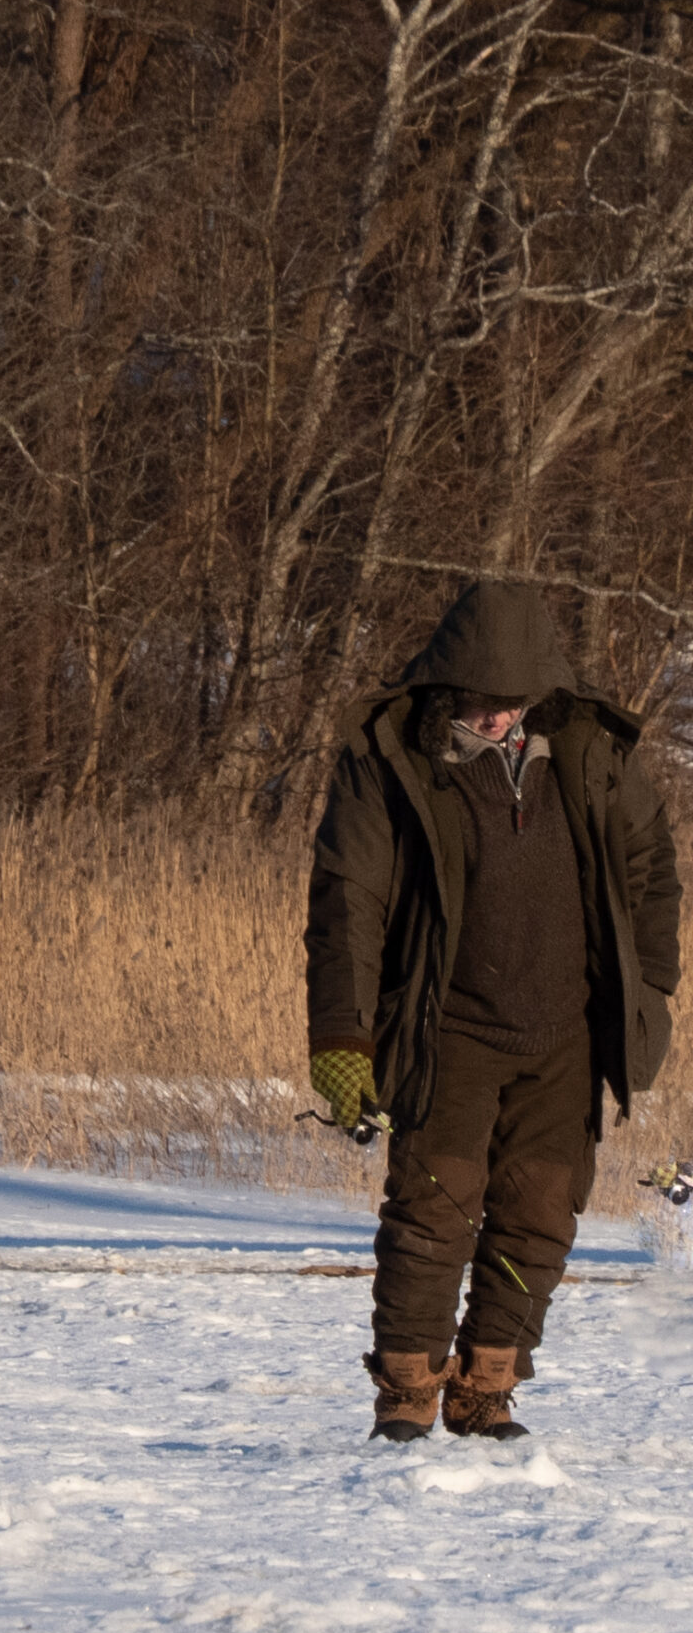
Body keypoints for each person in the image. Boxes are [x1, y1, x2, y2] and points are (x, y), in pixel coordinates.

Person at [306, 580, 681, 1441]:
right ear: (448, 690)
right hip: (449, 1031)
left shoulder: (589, 749)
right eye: (485, 705)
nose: (503, 721)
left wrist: (649, 986)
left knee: (541, 1217)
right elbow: (347, 904)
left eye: (517, 704)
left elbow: (652, 868)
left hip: (568, 1034)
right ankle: (406, 1398)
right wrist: (342, 1038)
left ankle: (486, 1392)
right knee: (435, 1211)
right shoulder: (390, 760)